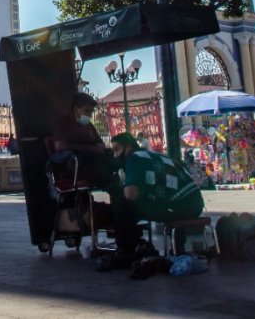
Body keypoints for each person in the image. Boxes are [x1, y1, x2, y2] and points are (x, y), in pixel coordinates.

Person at [98, 132, 204, 271]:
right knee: (133, 204)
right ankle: (135, 244)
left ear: (128, 147)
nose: (115, 155)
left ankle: (126, 251)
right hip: (194, 203)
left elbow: (130, 194)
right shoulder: (151, 155)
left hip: (181, 207)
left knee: (123, 205)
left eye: (117, 149)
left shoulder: (134, 159)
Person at [52, 92, 117, 191]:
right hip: (74, 163)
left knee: (110, 154)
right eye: (86, 111)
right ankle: (109, 184)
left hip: (92, 160)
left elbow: (99, 142)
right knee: (94, 161)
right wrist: (90, 148)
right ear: (75, 108)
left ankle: (115, 184)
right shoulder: (64, 123)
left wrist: (100, 146)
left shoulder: (88, 125)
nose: (89, 115)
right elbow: (59, 146)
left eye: (91, 112)